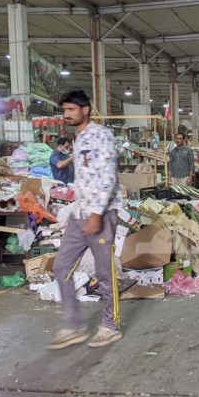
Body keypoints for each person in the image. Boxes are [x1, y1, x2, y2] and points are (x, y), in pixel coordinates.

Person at [49, 90, 124, 350]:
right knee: (61, 267)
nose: (66, 115)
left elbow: (108, 177)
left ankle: (110, 326)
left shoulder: (101, 135)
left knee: (104, 273)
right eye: (65, 110)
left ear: (85, 110)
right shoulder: (78, 139)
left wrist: (95, 214)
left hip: (100, 215)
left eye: (71, 109)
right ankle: (74, 326)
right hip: (79, 214)